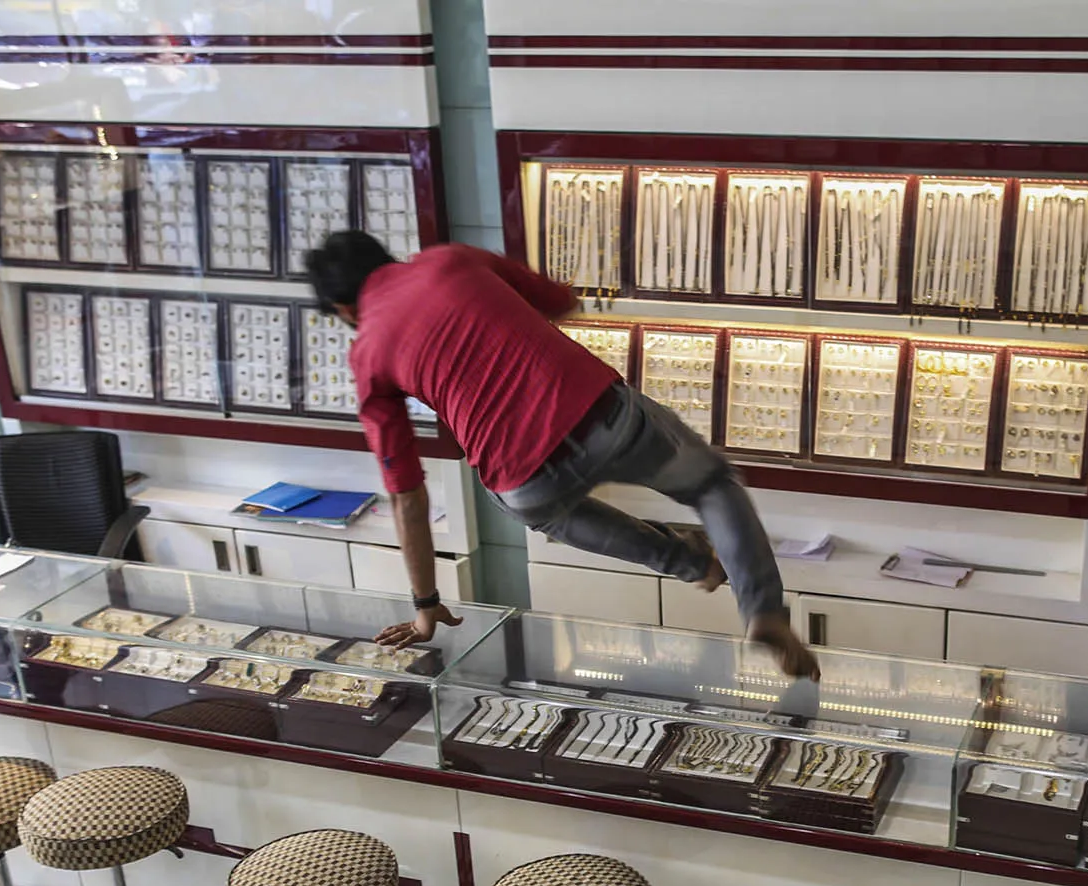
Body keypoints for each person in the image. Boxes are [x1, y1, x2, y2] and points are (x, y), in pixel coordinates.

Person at [303, 231, 818, 678]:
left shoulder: (367, 355)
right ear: (384, 257)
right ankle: (763, 611)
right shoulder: (449, 259)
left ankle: (688, 562)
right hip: (601, 416)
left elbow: (406, 497)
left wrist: (425, 606)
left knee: (545, 513)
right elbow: (558, 300)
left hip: (521, 477)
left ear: (345, 309)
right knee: (710, 485)